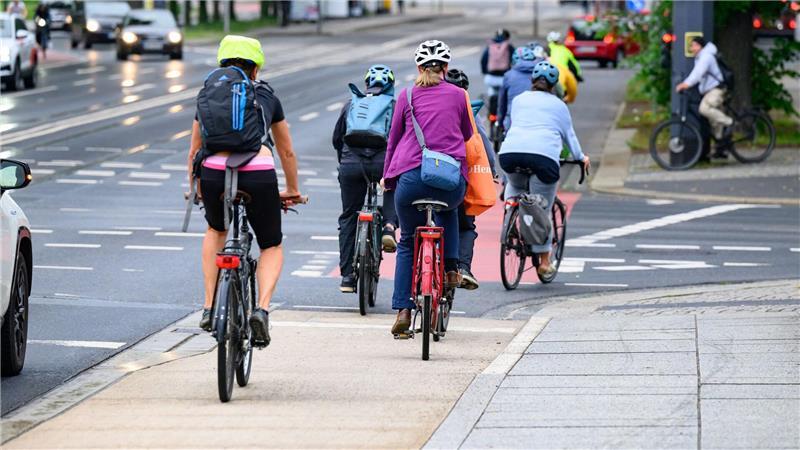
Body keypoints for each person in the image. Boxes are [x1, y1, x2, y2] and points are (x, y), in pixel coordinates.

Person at [188, 35, 302, 346]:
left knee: (215, 229)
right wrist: (291, 189)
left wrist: (195, 188)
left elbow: (194, 150)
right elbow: (287, 151)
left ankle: (210, 306)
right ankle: (261, 310)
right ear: (255, 69)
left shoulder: (209, 94)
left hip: (212, 173)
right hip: (258, 172)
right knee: (271, 245)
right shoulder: (266, 95)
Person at [383, 40, 473, 334]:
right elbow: (467, 133)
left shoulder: (405, 96)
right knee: (450, 210)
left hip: (410, 179)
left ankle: (403, 311)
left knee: (408, 240)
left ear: (418, 67)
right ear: (446, 68)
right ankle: (450, 269)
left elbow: (394, 140)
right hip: (448, 178)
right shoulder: (459, 95)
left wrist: (388, 177)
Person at [498, 61, 590, 278]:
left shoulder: (520, 100)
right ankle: (545, 262)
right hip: (543, 158)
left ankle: (510, 211)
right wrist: (580, 158)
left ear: (532, 81)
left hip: (510, 153)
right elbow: (570, 137)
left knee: (515, 184)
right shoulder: (559, 105)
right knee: (543, 207)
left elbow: (511, 124)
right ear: (553, 85)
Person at [333, 64, 399, 293]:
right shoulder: (395, 105)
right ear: (390, 86)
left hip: (351, 164)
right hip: (383, 164)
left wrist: (343, 163)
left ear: (367, 85)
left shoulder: (352, 103)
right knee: (393, 187)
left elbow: (337, 139)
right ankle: (389, 227)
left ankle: (348, 278)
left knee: (349, 215)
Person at [444, 68, 495, 290]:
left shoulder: (432, 106)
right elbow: (483, 144)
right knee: (465, 225)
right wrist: (491, 171)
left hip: (427, 177)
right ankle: (462, 267)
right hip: (461, 179)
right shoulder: (470, 112)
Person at [676, 36, 733, 145]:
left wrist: (685, 84)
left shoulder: (706, 57)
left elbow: (698, 73)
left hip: (717, 90)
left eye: (693, 46)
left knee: (704, 109)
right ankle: (721, 146)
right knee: (715, 122)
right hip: (710, 91)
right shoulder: (700, 57)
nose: (691, 49)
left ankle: (730, 122)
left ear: (699, 46)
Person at [497, 46, 543, 130]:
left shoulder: (509, 75)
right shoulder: (541, 74)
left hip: (513, 121)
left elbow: (502, 103)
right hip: (537, 121)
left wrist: (500, 122)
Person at [480, 29, 514, 115]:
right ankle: (504, 114)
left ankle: (492, 115)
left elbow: (483, 60)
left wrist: (486, 72)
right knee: (506, 96)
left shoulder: (490, 46)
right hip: (504, 78)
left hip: (491, 78)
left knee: (492, 93)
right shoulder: (509, 47)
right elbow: (514, 61)